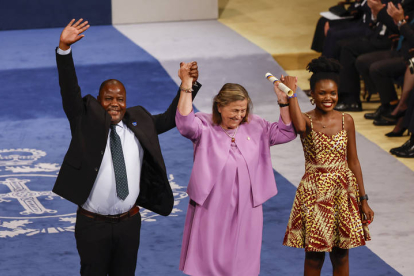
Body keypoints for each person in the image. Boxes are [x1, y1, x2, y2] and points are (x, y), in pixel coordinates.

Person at [52, 19, 201, 275]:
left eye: (119, 99)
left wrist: (186, 86)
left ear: (126, 101)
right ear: (98, 102)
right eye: (108, 98)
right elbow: (69, 90)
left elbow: (169, 119)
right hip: (92, 225)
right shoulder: (84, 120)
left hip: (129, 223)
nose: (114, 103)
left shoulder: (139, 120)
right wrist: (64, 49)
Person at [175, 63, 297, 275]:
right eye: (234, 110)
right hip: (211, 204)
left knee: (243, 259)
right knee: (209, 257)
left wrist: (283, 102)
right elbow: (185, 124)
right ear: (219, 106)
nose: (239, 115)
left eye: (243, 110)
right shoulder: (204, 125)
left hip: (248, 206)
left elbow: (286, 132)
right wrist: (187, 84)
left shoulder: (256, 125)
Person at [283, 57, 374, 275]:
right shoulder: (305, 119)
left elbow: (353, 160)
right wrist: (291, 93)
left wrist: (363, 200)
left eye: (333, 93)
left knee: (341, 253)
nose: (328, 98)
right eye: (322, 93)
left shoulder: (346, 120)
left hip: (343, 192)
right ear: (312, 95)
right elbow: (296, 125)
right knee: (314, 255)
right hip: (315, 193)